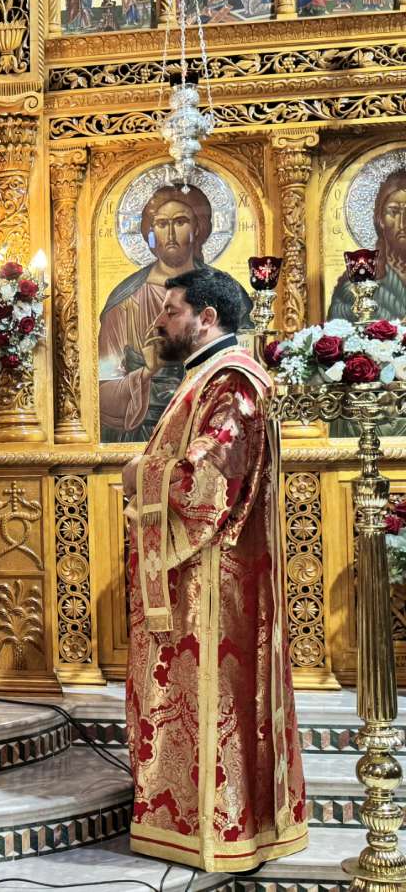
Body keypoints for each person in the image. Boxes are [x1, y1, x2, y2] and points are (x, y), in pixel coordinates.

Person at [121, 267, 307, 873]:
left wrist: (139, 474)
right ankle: (187, 820)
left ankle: (218, 830)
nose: (158, 321)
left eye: (170, 310)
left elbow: (206, 483)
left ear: (207, 317)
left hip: (210, 584)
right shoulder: (205, 377)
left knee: (214, 705)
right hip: (195, 576)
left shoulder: (233, 381)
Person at [100, 184, 245, 443]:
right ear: (150, 231)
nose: (170, 234)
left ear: (198, 228)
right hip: (143, 432)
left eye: (180, 222)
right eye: (161, 223)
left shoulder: (233, 377)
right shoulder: (123, 302)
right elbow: (102, 391)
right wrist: (145, 374)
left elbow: (213, 456)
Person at [328, 167, 406, 435]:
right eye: (394, 212)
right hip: (375, 401)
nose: (403, 222)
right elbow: (338, 347)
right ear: (379, 220)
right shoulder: (354, 284)